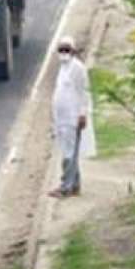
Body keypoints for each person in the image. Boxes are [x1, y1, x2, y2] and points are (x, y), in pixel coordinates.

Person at [50, 37, 96, 199]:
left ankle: (65, 187)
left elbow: (84, 92)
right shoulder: (63, 68)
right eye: (61, 49)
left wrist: (82, 114)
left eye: (66, 49)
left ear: (73, 50)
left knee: (68, 155)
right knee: (69, 153)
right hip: (62, 119)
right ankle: (75, 185)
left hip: (72, 118)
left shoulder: (77, 68)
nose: (63, 53)